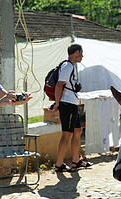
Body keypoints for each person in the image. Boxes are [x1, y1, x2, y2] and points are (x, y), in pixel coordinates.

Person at [52, 43, 92, 172]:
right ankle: (59, 164)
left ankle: (76, 161)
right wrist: (57, 104)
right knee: (66, 134)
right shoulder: (67, 66)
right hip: (66, 104)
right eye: (81, 53)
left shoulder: (72, 67)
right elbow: (59, 85)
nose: (82, 55)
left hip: (72, 103)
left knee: (77, 131)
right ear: (76, 52)